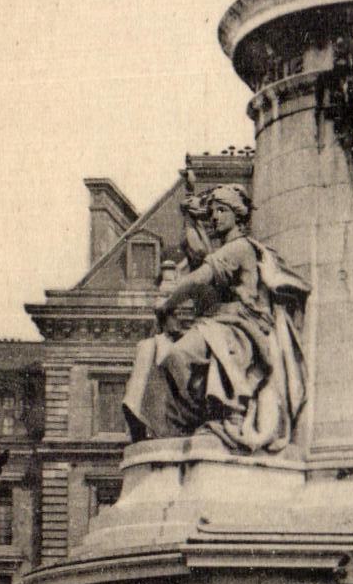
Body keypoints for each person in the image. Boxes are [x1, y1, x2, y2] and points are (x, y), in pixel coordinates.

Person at [123, 185, 310, 452]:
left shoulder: (240, 248)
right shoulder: (225, 249)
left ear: (237, 215)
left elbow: (198, 279)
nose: (215, 217)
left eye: (222, 211)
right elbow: (199, 256)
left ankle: (220, 417)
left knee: (179, 355)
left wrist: (167, 302)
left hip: (240, 328)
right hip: (218, 324)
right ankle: (191, 421)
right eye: (212, 212)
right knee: (162, 354)